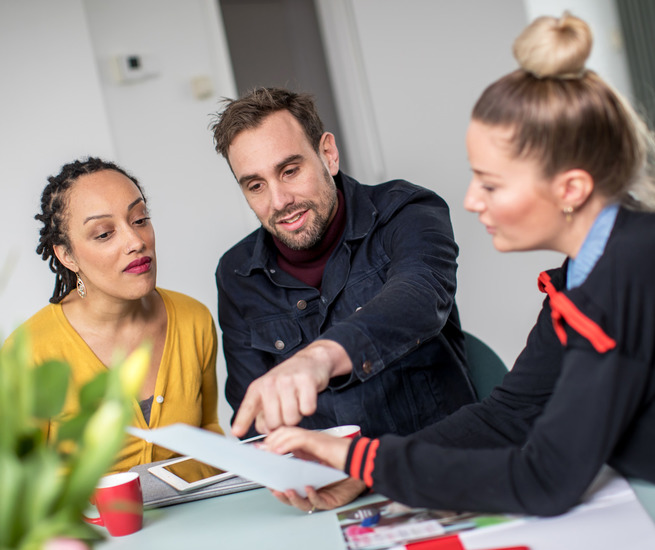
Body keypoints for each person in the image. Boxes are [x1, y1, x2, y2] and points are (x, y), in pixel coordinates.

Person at [263, 12, 655, 516]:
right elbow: (508, 416)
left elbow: (545, 478)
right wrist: (367, 467)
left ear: (571, 189)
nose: (472, 200)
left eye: (491, 184)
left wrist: (354, 455)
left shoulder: (626, 275)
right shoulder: (589, 272)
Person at [211, 87, 476, 440]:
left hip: (432, 466)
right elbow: (255, 421)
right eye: (256, 185)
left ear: (328, 154)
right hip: (319, 484)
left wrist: (319, 357)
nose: (279, 201)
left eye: (290, 171)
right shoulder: (236, 273)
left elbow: (419, 297)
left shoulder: (407, 211)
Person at [2, 157, 222, 473]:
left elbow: (209, 431)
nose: (136, 242)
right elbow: (18, 485)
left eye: (140, 219)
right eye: (104, 233)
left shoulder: (193, 319)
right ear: (67, 255)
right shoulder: (30, 354)